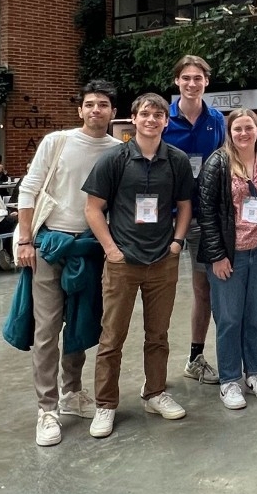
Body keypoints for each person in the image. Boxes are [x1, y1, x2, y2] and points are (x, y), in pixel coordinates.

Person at [83, 93, 195, 438]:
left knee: (158, 335)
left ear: (166, 121)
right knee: (112, 337)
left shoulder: (176, 160)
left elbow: (185, 205)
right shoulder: (115, 159)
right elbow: (93, 208)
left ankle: (155, 392)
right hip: (123, 262)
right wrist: (112, 251)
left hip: (162, 261)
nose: (151, 119)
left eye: (158, 115)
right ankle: (105, 404)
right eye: (145, 114)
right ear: (134, 119)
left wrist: (177, 242)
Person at [14, 80, 120, 446]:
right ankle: (47, 408)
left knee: (79, 325)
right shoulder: (57, 142)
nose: (95, 110)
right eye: (89, 104)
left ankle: (72, 391)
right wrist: (25, 239)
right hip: (50, 246)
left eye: (103, 104)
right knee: (46, 329)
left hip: (90, 250)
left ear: (113, 112)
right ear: (80, 110)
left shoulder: (116, 150)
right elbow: (29, 188)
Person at [198, 108, 257, 409]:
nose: (243, 133)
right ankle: (229, 380)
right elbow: (207, 213)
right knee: (229, 318)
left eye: (248, 127)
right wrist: (217, 255)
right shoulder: (218, 163)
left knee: (255, 316)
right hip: (230, 252)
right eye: (237, 128)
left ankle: (253, 373)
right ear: (230, 131)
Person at [163, 54, 226, 386]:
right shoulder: (162, 119)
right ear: (177, 81)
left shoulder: (217, 120)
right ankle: (153, 371)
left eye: (197, 78)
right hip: (162, 219)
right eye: (185, 77)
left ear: (206, 81)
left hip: (203, 218)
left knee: (203, 290)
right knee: (157, 289)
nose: (191, 83)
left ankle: (195, 357)